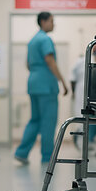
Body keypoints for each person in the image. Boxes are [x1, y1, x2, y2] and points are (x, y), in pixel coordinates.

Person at [15, 12, 69, 164]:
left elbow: (27, 64)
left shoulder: (33, 40)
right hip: (46, 85)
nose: (53, 24)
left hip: (33, 83)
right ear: (43, 22)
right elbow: (50, 60)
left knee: (35, 120)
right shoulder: (45, 39)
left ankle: (21, 152)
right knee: (48, 122)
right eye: (52, 21)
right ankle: (47, 157)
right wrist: (63, 82)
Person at [69, 44, 96, 155]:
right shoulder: (82, 61)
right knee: (85, 119)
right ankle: (86, 144)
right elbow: (72, 78)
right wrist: (73, 93)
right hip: (84, 94)